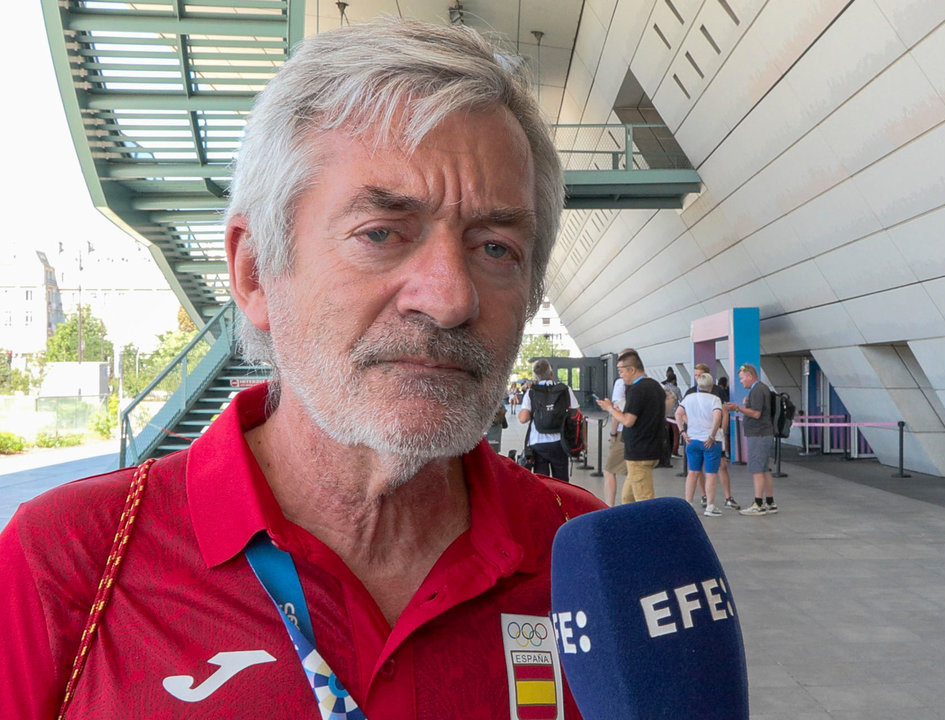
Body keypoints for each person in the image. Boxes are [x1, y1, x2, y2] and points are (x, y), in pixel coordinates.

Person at [1, 19, 606, 719]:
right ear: (256, 272)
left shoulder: (590, 557)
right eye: (380, 234)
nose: (449, 298)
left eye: (496, 247)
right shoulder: (70, 564)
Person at [598, 350, 666, 503]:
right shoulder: (656, 386)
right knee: (628, 498)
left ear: (632, 369)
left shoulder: (636, 390)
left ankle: (648, 526)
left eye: (621, 371)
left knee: (644, 499)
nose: (621, 375)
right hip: (652, 447)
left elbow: (628, 421)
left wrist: (610, 408)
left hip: (639, 453)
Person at [725, 363, 777, 516]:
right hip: (763, 433)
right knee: (763, 468)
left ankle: (758, 504)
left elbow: (756, 414)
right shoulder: (760, 389)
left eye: (742, 378)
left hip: (759, 434)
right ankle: (770, 501)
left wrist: (738, 408)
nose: (741, 381)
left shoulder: (758, 390)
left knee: (756, 469)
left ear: (749, 376)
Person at [684, 363, 739, 510]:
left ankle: (728, 497)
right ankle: (705, 496)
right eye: (695, 375)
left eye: (700, 375)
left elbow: (724, 412)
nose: (697, 378)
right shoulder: (690, 393)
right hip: (698, 436)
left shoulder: (717, 392)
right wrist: (692, 426)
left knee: (721, 466)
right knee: (698, 469)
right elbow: (682, 413)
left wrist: (722, 431)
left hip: (715, 435)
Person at [675, 373, 728, 517]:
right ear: (711, 386)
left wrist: (682, 432)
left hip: (692, 440)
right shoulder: (715, 399)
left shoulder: (689, 398)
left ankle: (689, 503)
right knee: (710, 474)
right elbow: (718, 416)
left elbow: (678, 413)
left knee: (692, 472)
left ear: (698, 385)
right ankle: (710, 506)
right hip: (710, 441)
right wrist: (712, 434)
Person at [518, 358, 579, 482]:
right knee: (561, 483)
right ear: (551, 374)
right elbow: (577, 413)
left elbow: (523, 419)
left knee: (542, 482)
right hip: (560, 442)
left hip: (538, 443)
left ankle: (544, 501)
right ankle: (561, 500)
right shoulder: (565, 390)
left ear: (536, 377)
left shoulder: (531, 392)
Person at [600, 347, 634, 506]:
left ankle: (609, 506)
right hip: (641, 434)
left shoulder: (621, 383)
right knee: (633, 470)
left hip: (623, 432)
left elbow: (617, 410)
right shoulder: (647, 381)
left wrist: (613, 434)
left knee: (609, 471)